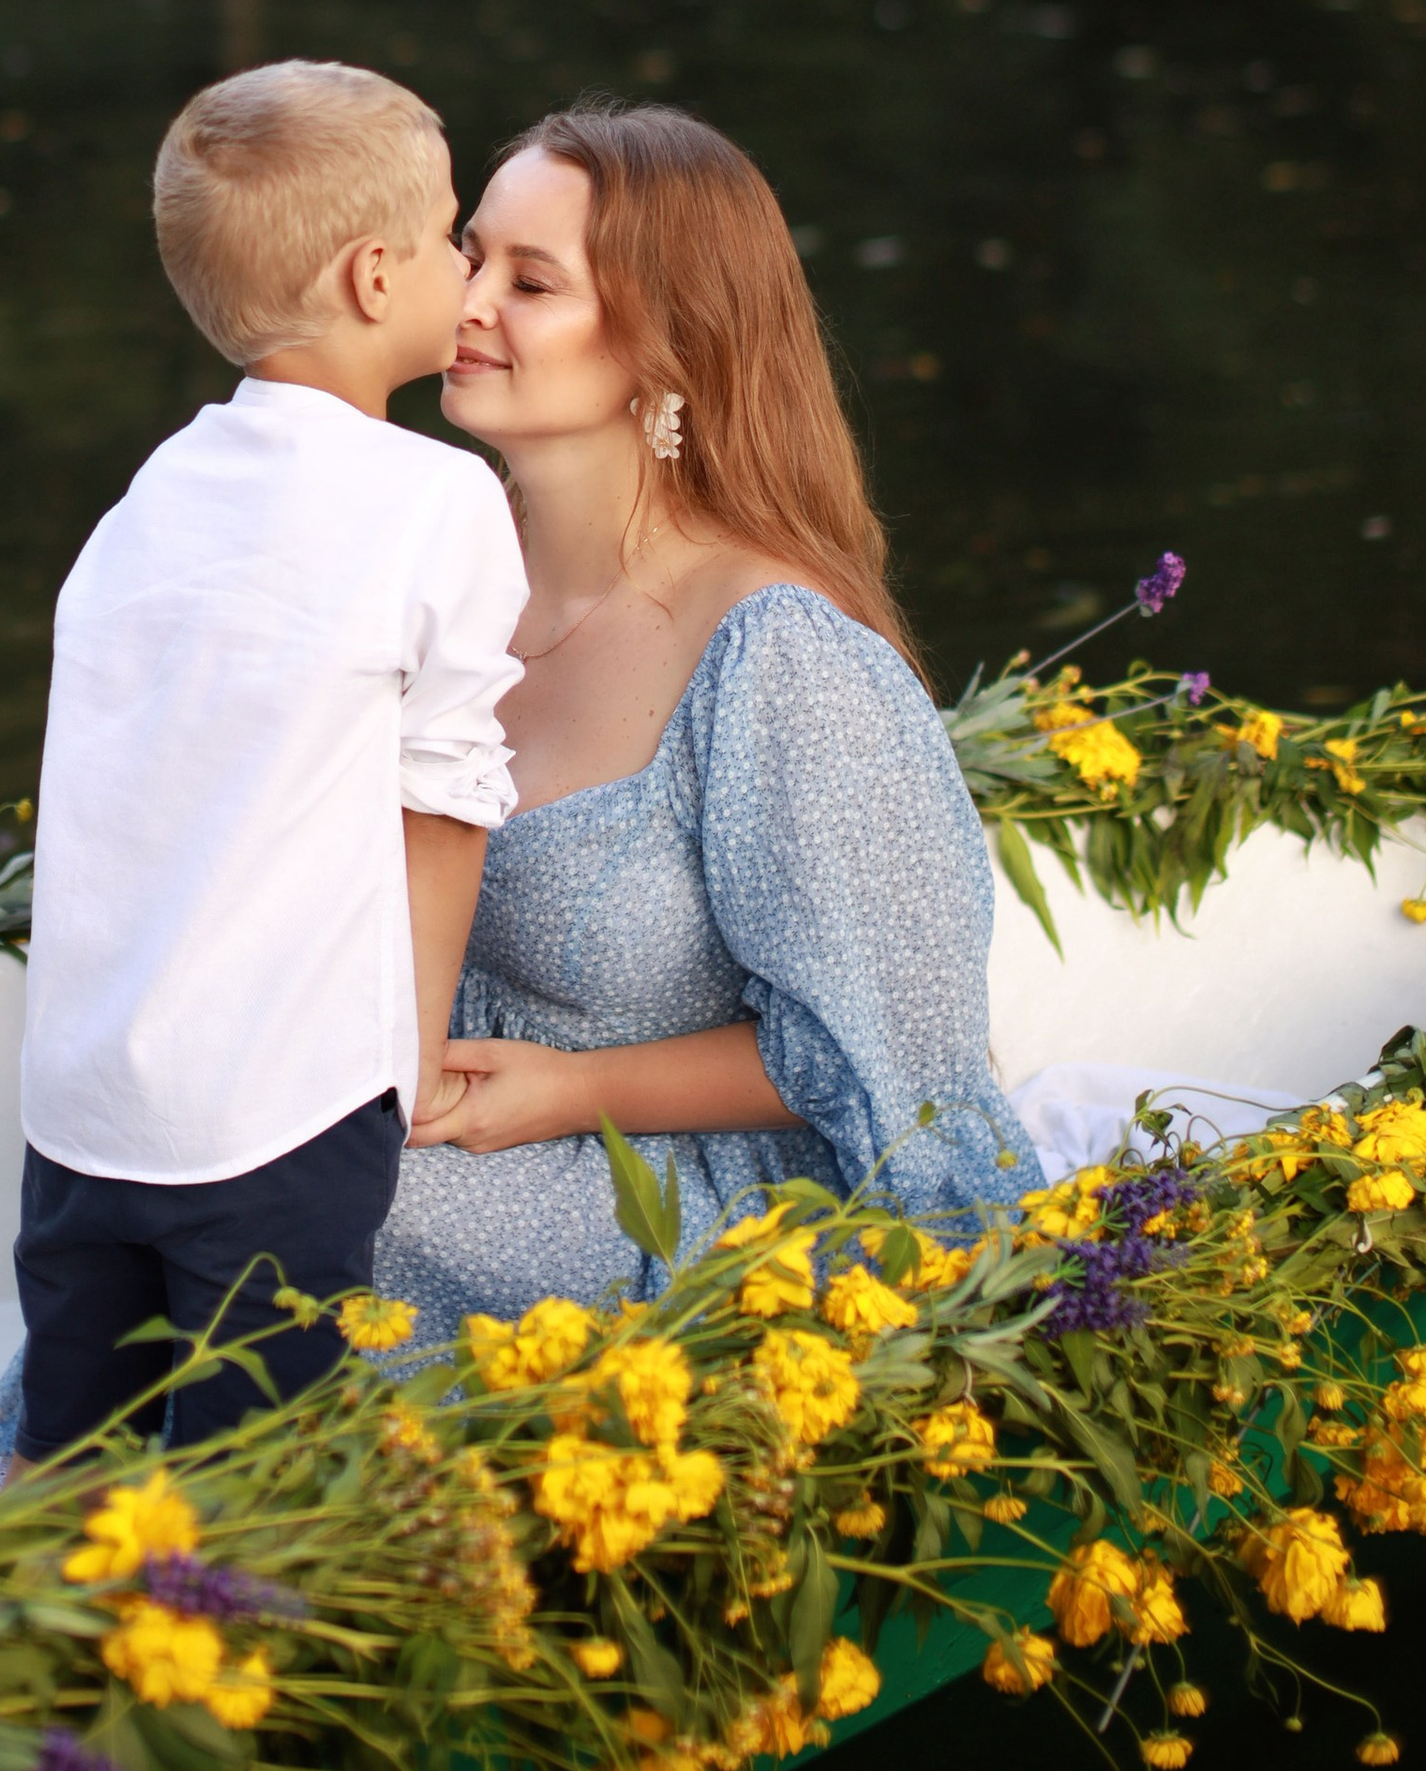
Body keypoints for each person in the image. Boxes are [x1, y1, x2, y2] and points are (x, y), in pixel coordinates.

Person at [381, 97, 1037, 1335]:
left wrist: (575, 1094)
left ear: (664, 347)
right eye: (471, 255)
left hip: (686, 1199)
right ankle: (24, 1498)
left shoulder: (776, 657)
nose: (467, 303)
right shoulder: (433, 566)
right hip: (433, 1121)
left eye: (531, 281)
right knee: (190, 1156)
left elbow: (900, 1054)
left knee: (289, 1213)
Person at [5, 60, 523, 1468]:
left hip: (84, 1113)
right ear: (373, 278)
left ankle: (57, 1679)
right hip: (279, 1115)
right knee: (256, 1507)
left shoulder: (152, 496)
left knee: (76, 1481)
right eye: (450, 236)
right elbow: (446, 798)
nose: (467, 266)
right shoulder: (437, 498)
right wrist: (402, 1068)